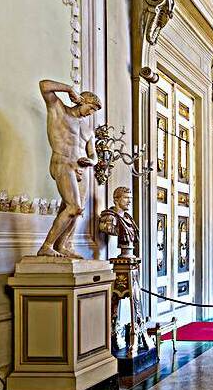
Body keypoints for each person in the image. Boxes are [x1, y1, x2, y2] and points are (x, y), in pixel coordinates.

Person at [37, 79, 102, 258]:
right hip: (62, 162)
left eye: (94, 111)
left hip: (82, 169)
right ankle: (46, 246)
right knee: (74, 207)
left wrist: (91, 162)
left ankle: (63, 245)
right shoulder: (59, 110)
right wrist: (69, 89)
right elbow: (44, 86)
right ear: (81, 100)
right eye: (91, 108)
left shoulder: (88, 130)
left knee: (76, 210)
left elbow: (94, 155)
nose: (91, 113)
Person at [99, 186, 140, 259]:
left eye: (130, 198)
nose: (129, 201)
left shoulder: (129, 219)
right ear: (116, 200)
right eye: (126, 198)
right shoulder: (110, 217)